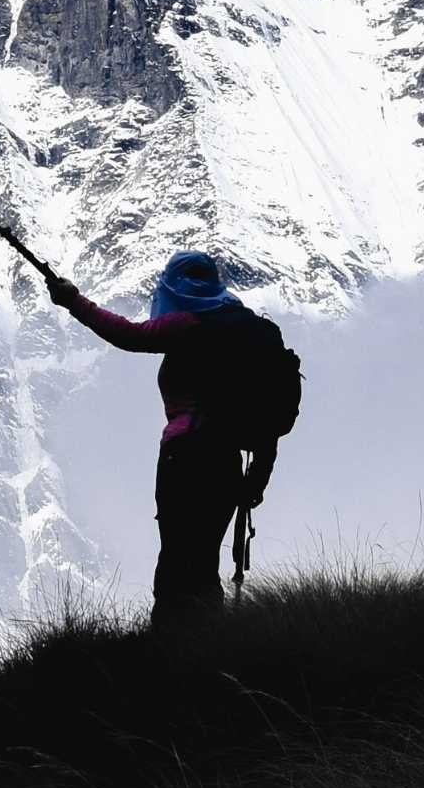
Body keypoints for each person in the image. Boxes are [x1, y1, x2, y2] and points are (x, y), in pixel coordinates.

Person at [49, 250, 290, 625]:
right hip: (228, 466)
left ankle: (169, 657)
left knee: (176, 560)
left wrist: (73, 300)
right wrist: (257, 478)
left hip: (185, 457)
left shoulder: (190, 323)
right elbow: (268, 414)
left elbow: (127, 335)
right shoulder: (249, 330)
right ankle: (210, 654)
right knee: (206, 562)